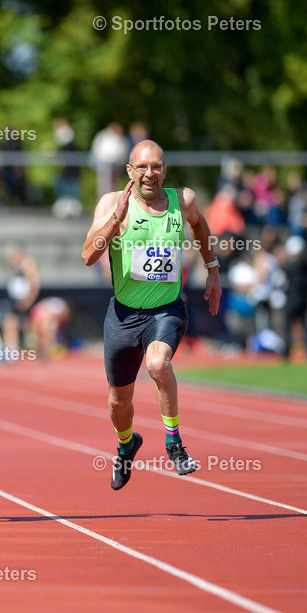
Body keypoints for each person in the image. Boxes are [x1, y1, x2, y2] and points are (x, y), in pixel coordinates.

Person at [82, 140, 222, 490]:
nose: (149, 174)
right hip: (123, 316)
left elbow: (199, 225)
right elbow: (87, 255)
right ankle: (127, 443)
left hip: (166, 309)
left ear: (164, 170)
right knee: (118, 401)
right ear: (129, 171)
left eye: (156, 166)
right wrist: (118, 216)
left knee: (158, 364)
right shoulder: (112, 203)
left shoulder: (182, 200)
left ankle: (174, 443)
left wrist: (213, 269)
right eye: (142, 167)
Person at [0, 244, 39, 351]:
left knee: (28, 326)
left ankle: (34, 350)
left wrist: (28, 301)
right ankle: (11, 350)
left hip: (25, 300)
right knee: (10, 323)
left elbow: (34, 284)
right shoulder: (14, 265)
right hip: (16, 299)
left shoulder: (26, 263)